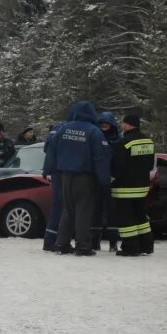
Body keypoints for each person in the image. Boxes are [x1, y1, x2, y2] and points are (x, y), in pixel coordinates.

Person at [53, 101, 110, 256]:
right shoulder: (94, 131)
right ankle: (82, 245)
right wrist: (105, 179)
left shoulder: (63, 129)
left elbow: (54, 149)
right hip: (85, 177)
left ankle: (61, 243)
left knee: (68, 210)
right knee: (83, 211)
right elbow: (100, 157)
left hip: (65, 175)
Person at [112, 114, 155, 256]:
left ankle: (130, 247)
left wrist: (110, 179)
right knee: (141, 218)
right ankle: (146, 245)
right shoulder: (148, 141)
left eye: (123, 123)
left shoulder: (123, 143)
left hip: (125, 188)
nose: (122, 126)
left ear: (129, 125)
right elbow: (149, 164)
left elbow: (117, 167)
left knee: (126, 219)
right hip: (142, 187)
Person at [91, 112, 121, 252]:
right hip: (96, 179)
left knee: (112, 212)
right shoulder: (94, 137)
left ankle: (113, 242)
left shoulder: (118, 139)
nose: (104, 125)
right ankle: (95, 241)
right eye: (102, 123)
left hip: (112, 180)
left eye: (106, 123)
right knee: (95, 210)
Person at [42, 123, 64, 251]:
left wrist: (46, 171)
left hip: (56, 173)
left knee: (56, 206)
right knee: (60, 206)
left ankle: (50, 239)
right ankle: (53, 240)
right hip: (62, 173)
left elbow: (48, 154)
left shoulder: (52, 135)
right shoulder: (60, 133)